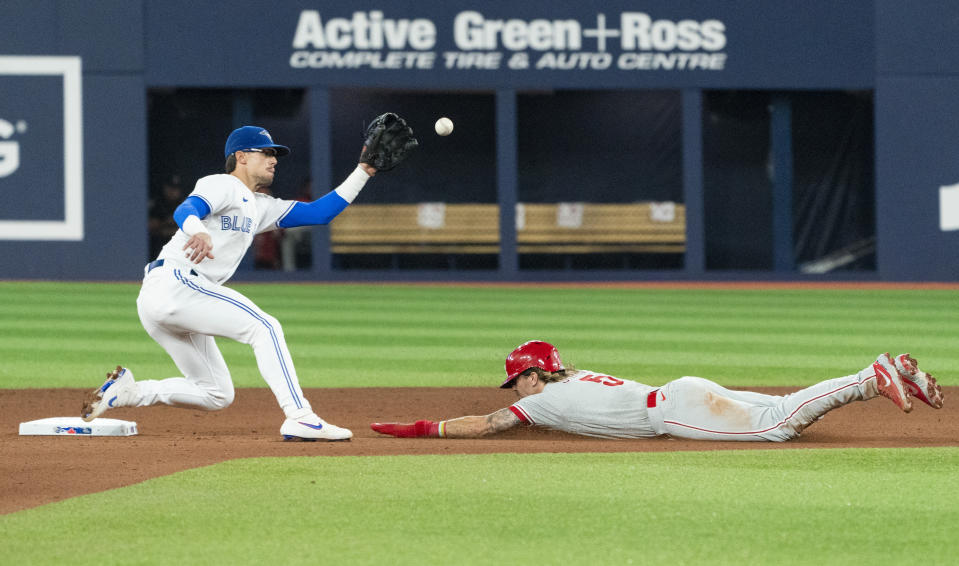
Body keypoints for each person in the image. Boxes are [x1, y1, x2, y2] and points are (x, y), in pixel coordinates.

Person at [82, 115, 418, 441]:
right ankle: (300, 417)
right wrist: (198, 231)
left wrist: (365, 170)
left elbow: (320, 212)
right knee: (265, 326)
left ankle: (131, 392)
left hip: (174, 297)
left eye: (275, 154)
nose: (274, 159)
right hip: (175, 282)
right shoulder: (222, 184)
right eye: (266, 152)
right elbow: (186, 209)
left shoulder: (260, 206)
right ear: (241, 157)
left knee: (216, 394)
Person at [371, 340, 944, 441]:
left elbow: (489, 423)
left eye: (518, 374)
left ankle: (873, 377)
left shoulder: (541, 397)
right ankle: (879, 374)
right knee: (778, 408)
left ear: (535, 372)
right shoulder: (575, 375)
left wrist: (420, 428)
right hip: (682, 390)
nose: (514, 385)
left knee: (778, 427)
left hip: (676, 410)